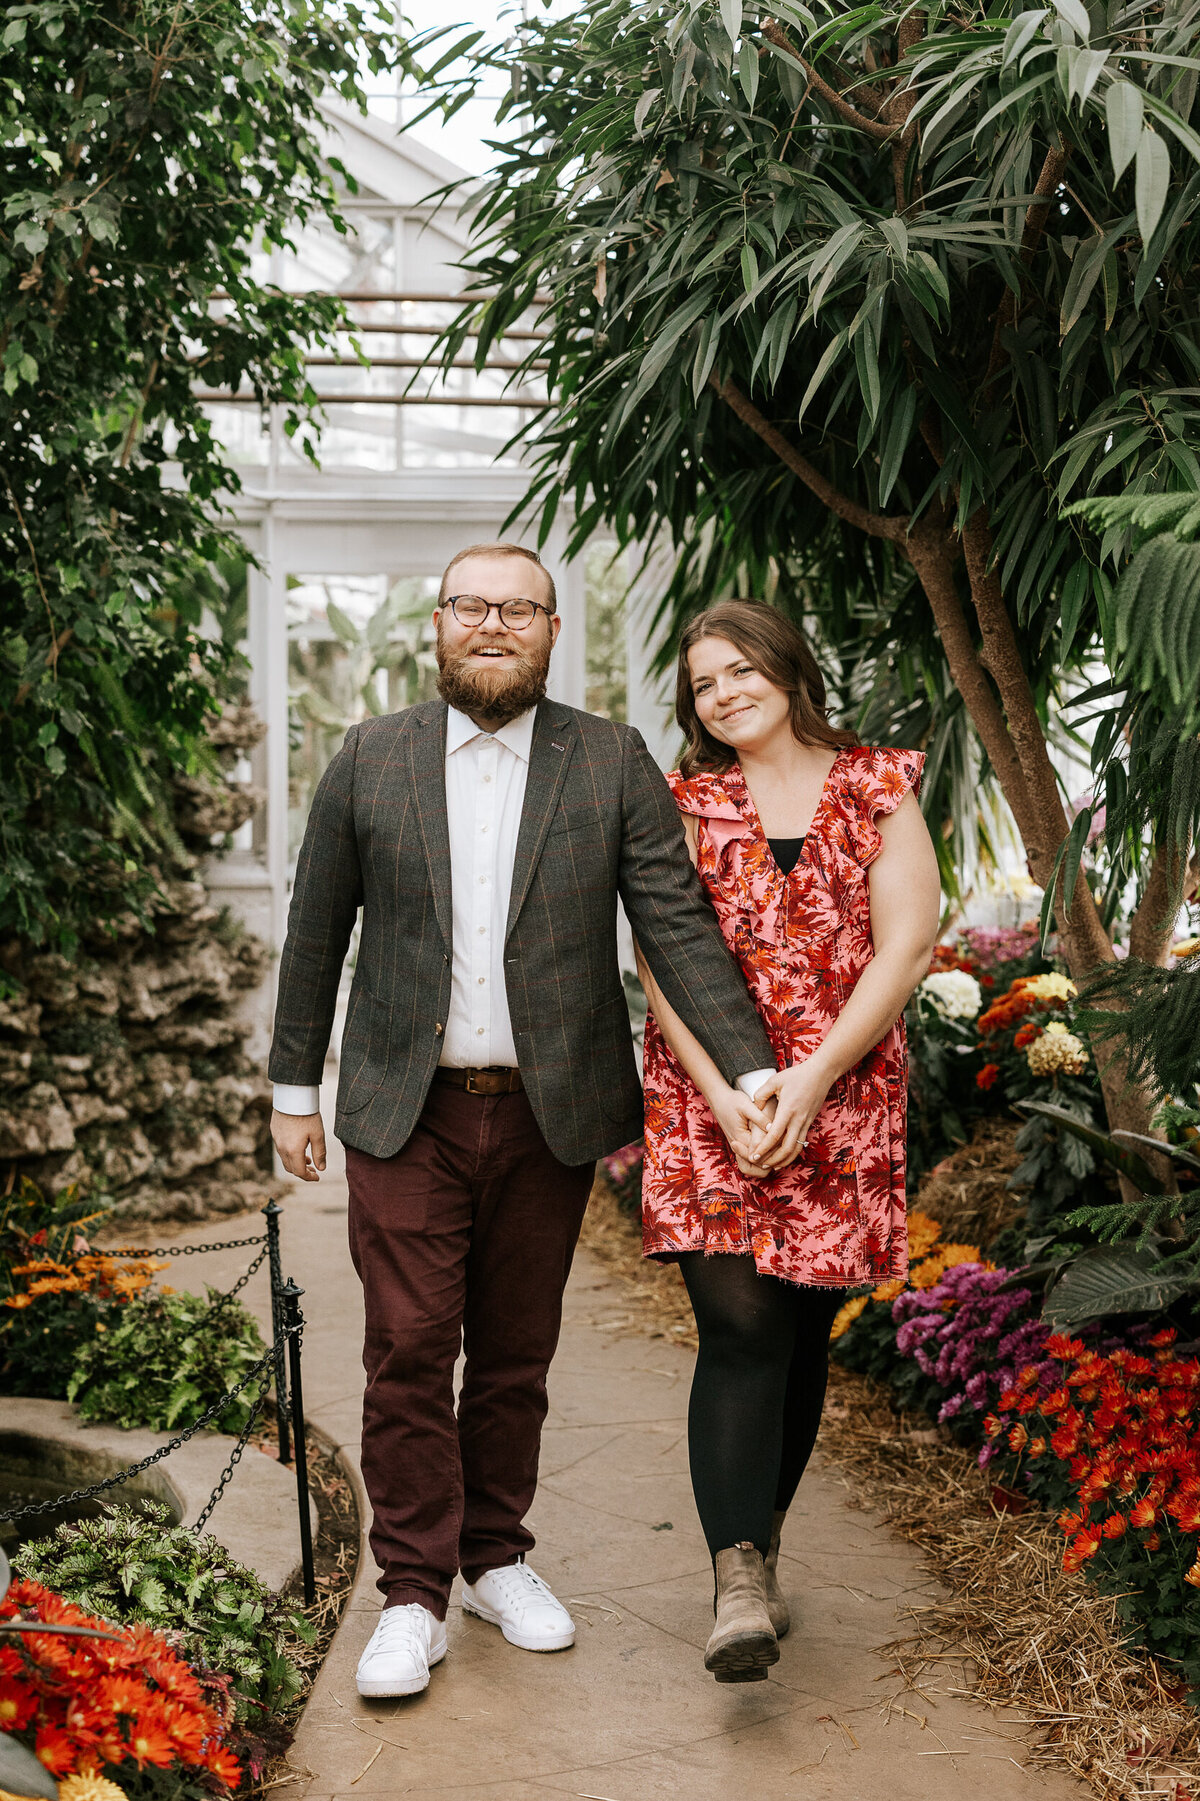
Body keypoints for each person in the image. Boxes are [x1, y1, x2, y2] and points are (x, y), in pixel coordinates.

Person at [268, 546, 781, 1699]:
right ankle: (412, 1591)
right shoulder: (369, 758)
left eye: (517, 609)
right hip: (406, 1109)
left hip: (552, 1108)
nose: (491, 625)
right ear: (436, 626)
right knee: (408, 1346)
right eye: (469, 606)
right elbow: (316, 933)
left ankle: (492, 1554)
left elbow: (676, 926)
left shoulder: (610, 759)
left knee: (515, 1351)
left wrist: (749, 1072)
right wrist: (293, 1089)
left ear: (553, 631)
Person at [635, 600, 941, 1684]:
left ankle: (758, 1543)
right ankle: (738, 1584)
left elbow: (907, 946)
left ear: (786, 668)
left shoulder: (877, 786)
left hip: (844, 1098)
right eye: (703, 683)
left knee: (802, 1337)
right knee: (741, 1326)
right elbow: (664, 960)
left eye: (738, 670)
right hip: (709, 1098)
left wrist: (812, 1080)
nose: (722, 693)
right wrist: (725, 1095)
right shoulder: (681, 804)